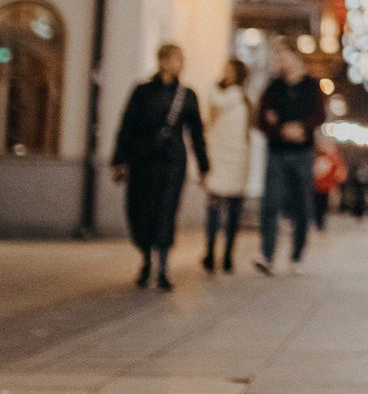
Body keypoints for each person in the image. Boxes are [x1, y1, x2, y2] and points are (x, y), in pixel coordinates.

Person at [111, 43, 209, 291]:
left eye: (182, 59)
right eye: (177, 59)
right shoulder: (142, 92)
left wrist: (204, 166)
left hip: (172, 163)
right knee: (140, 212)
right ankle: (146, 259)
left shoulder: (187, 95)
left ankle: (163, 267)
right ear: (163, 61)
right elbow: (127, 125)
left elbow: (197, 132)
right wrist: (119, 159)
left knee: (166, 212)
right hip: (142, 161)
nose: (181, 64)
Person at [254, 45, 323, 274]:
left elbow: (319, 114)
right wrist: (281, 130)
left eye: (283, 57)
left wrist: (300, 127)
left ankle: (297, 255)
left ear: (295, 57)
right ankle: (267, 254)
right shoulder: (273, 87)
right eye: (277, 57)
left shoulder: (311, 86)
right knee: (271, 202)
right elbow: (263, 118)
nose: (279, 62)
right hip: (277, 151)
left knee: (302, 204)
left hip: (303, 152)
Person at [200, 57, 253, 274]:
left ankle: (223, 253)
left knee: (227, 209)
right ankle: (216, 253)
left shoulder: (225, 97)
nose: (225, 73)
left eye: (229, 70)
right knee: (221, 209)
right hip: (224, 158)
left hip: (233, 159)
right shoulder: (244, 100)